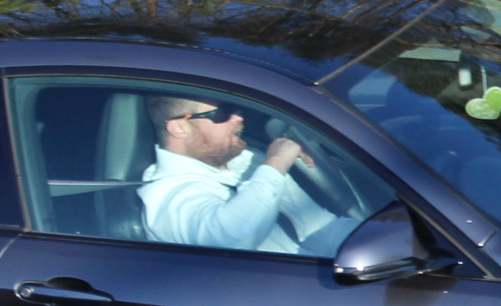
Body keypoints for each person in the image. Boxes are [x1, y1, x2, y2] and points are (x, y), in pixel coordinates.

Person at [138, 96, 357, 255]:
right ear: (179, 128)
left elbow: (318, 229)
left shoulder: (247, 159)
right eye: (222, 113)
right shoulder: (166, 197)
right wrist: (276, 163)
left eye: (235, 108)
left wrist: (382, 241)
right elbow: (232, 241)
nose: (238, 117)